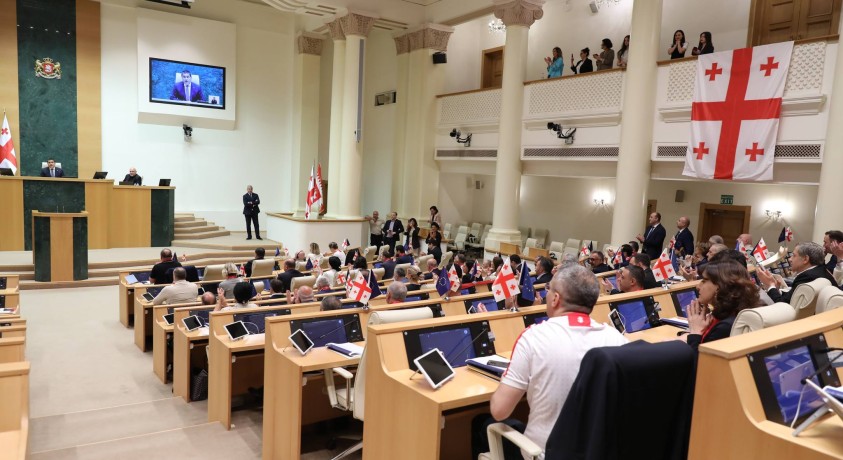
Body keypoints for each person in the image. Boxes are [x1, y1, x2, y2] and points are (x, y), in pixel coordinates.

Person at [473, 264, 627, 459]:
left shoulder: (533, 337)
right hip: (599, 451)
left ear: (555, 299)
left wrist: (508, 378)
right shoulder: (617, 339)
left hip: (544, 454)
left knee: (483, 422)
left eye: (549, 289)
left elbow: (499, 411)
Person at [685, 259, 759, 350]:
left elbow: (699, 363)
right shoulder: (735, 312)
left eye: (704, 281)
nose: (698, 287)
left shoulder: (724, 327)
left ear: (719, 286)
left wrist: (695, 332)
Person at [757, 242, 837, 304]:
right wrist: (776, 289)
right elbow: (790, 298)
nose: (789, 259)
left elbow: (782, 305)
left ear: (805, 259)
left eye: (794, 256)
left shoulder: (808, 277)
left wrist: (770, 285)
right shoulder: (820, 270)